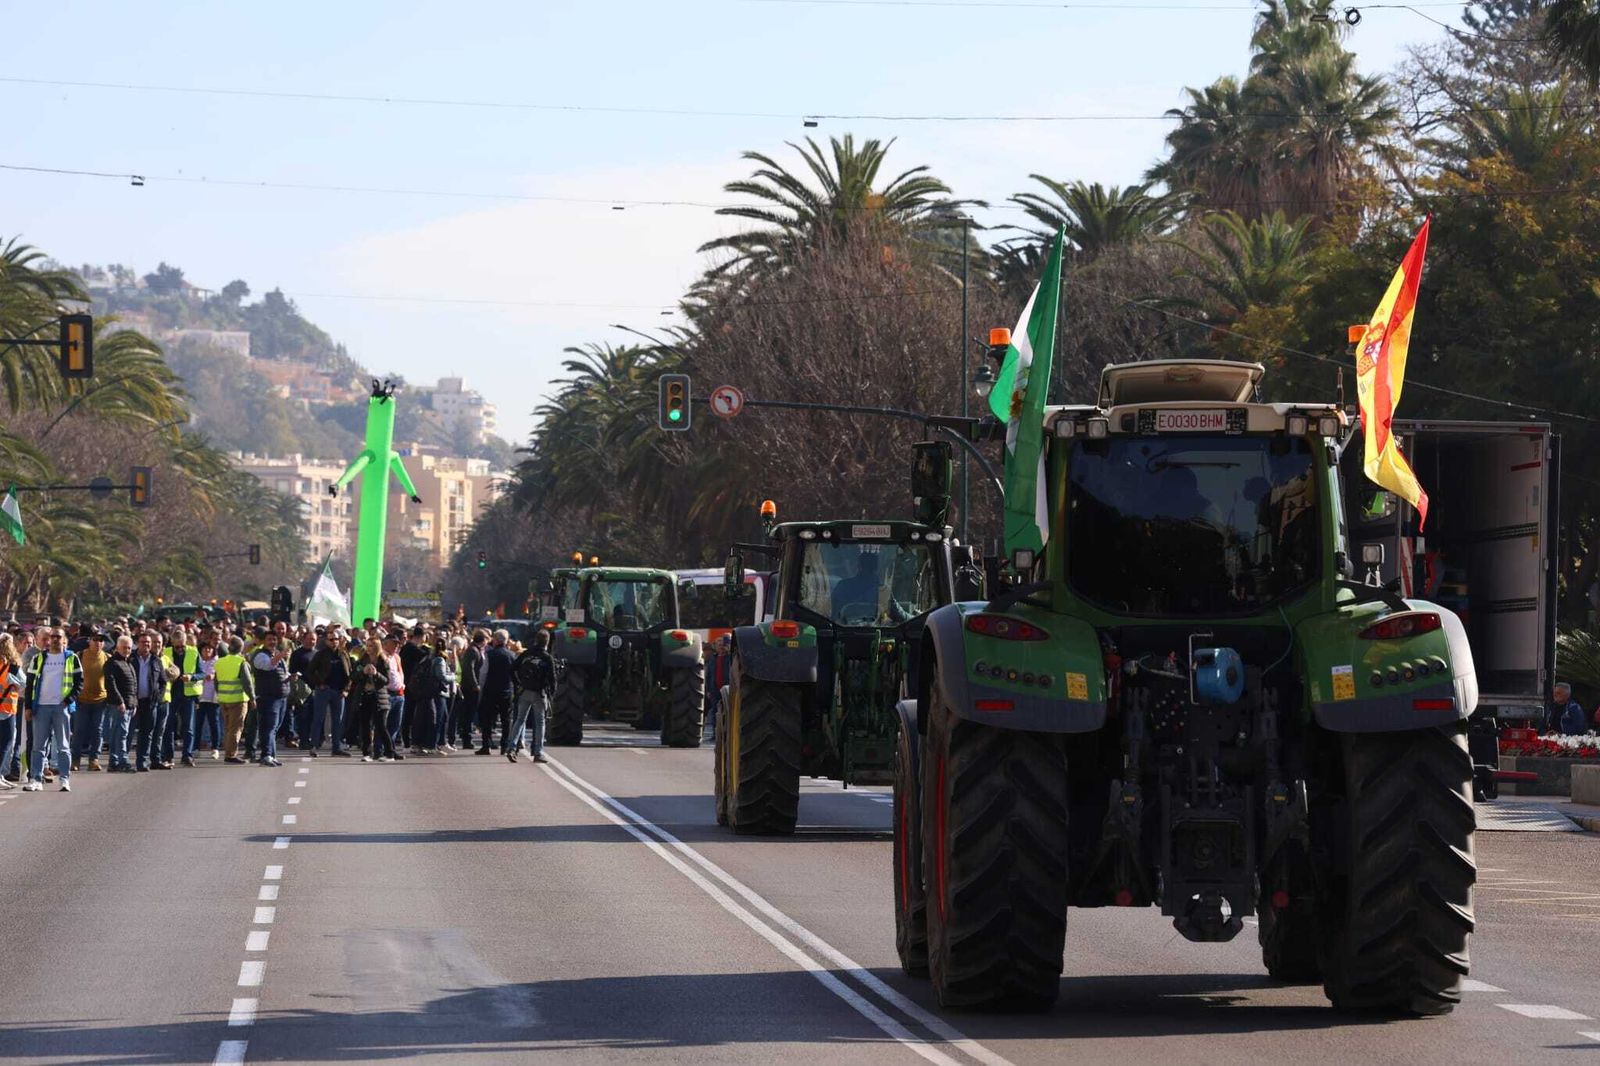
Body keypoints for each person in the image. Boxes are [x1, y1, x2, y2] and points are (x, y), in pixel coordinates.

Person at [24, 627, 83, 792]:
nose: (56, 639)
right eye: (53, 636)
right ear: (49, 639)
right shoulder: (38, 658)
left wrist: (69, 700)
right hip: (41, 707)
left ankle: (64, 779)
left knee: (63, 746)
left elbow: (79, 682)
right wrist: (28, 706)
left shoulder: (72, 658)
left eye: (59, 636)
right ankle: (35, 779)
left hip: (61, 707)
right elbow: (30, 685)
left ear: (64, 639)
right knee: (38, 746)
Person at [506, 630, 556, 763]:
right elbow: (552, 679)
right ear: (547, 642)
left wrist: (518, 684)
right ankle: (538, 752)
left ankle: (511, 747)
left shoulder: (526, 654)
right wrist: (551, 695)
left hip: (524, 691)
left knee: (519, 720)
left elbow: (512, 669)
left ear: (535, 640)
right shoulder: (547, 657)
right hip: (540, 693)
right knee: (540, 723)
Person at [348, 635, 396, 762]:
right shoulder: (362, 660)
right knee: (365, 726)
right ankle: (366, 753)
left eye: (371, 646)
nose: (369, 649)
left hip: (379, 697)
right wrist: (363, 672)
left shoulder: (382, 661)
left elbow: (386, 680)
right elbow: (353, 676)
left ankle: (390, 753)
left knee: (381, 726)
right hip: (364, 696)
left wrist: (376, 674)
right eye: (367, 646)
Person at [307, 628, 353, 757]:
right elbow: (310, 671)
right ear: (326, 641)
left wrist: (346, 690)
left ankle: (336, 747)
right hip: (324, 690)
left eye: (336, 639)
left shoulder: (344, 654)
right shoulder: (321, 654)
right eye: (331, 639)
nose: (334, 642)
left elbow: (350, 673)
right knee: (319, 718)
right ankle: (314, 746)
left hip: (339, 692)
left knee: (338, 720)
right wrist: (319, 683)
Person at [163, 626, 202, 767]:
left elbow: (201, 673)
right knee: (168, 726)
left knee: (188, 727)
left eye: (182, 645)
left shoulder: (194, 652)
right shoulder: (165, 652)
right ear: (172, 643)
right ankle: (168, 756)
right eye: (177, 646)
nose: (180, 648)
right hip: (171, 694)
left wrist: (191, 677)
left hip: (188, 695)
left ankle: (187, 756)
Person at [71, 630, 109, 773]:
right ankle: (75, 760)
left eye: (101, 640)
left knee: (97, 731)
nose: (98, 642)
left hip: (100, 700)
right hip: (82, 700)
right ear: (89, 641)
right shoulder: (80, 656)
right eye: (95, 639)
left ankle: (94, 760)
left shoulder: (107, 657)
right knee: (79, 731)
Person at [131, 632, 169, 773]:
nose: (146, 644)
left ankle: (142, 762)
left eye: (148, 642)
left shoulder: (156, 660)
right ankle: (122, 761)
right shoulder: (131, 658)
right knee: (128, 733)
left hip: (150, 703)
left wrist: (157, 698)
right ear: (138, 643)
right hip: (133, 702)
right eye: (143, 642)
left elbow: (163, 682)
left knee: (146, 734)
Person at [251, 632, 290, 767]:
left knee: (274, 727)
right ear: (264, 641)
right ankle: (266, 755)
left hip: (280, 697)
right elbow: (267, 666)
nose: (272, 642)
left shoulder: (277, 654)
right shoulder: (260, 655)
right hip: (268, 697)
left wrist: (291, 676)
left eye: (274, 639)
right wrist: (279, 657)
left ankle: (272, 755)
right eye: (269, 639)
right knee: (268, 727)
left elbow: (283, 672)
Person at [215, 637, 256, 764]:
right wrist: (252, 698)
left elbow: (216, 682)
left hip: (223, 699)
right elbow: (247, 683)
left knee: (228, 728)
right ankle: (230, 754)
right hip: (238, 699)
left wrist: (220, 694)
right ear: (241, 648)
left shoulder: (220, 662)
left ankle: (229, 751)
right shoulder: (241, 662)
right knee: (236, 728)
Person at [476, 629, 516, 755]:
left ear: (496, 640)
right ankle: (504, 746)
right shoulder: (512, 655)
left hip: (490, 690)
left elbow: (484, 673)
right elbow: (514, 674)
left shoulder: (490, 654)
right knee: (506, 720)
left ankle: (486, 745)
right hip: (506, 691)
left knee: (487, 719)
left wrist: (481, 689)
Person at [103, 635, 139, 772]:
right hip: (119, 705)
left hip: (129, 705)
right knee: (121, 733)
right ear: (117, 647)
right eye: (124, 647)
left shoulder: (128, 662)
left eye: (129, 647)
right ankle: (122, 761)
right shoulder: (112, 663)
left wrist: (134, 703)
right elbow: (110, 685)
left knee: (118, 733)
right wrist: (120, 702)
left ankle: (114, 762)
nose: (127, 650)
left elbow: (133, 685)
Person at [457, 629, 487, 751]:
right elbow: (469, 669)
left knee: (470, 713)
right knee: (468, 714)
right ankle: (467, 739)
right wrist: (475, 684)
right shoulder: (473, 651)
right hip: (469, 688)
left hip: (471, 687)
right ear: (483, 640)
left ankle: (467, 738)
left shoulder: (475, 650)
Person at [0, 634, 24, 789]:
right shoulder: (13, 666)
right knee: (6, 743)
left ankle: (1, 775)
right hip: (6, 710)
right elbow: (24, 683)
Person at [194, 633, 222, 760]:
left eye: (210, 649)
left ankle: (215, 748)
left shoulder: (217, 662)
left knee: (214, 723)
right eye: (205, 649)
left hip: (213, 698)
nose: (207, 651)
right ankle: (196, 748)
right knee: (197, 724)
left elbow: (218, 675)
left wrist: (212, 677)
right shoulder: (197, 661)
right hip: (199, 697)